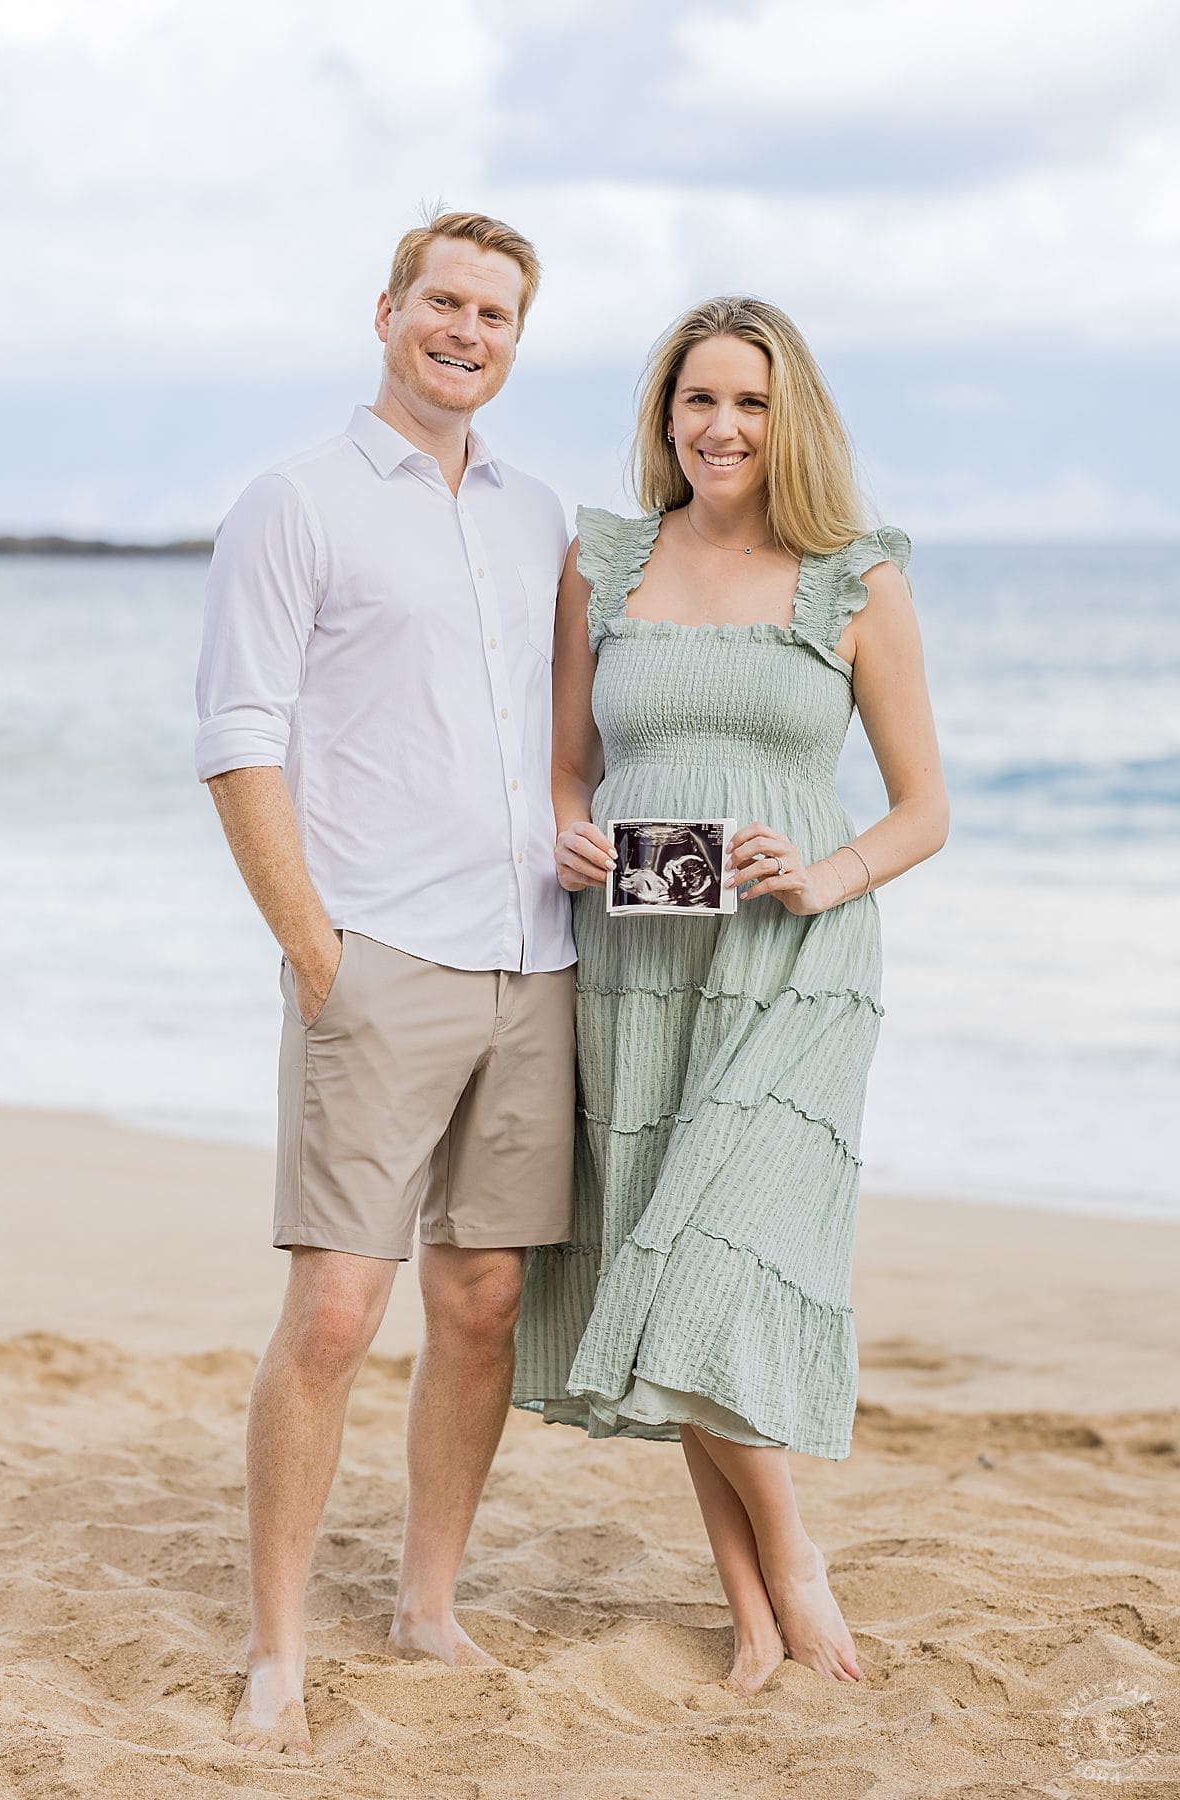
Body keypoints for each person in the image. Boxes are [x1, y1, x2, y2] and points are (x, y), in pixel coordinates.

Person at [513, 296, 948, 1693]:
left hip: (793, 964)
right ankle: (751, 1613)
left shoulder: (853, 578)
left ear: (789, 417)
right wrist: (568, 829)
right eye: (698, 400)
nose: (722, 427)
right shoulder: (609, 564)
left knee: (712, 1245)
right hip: (639, 959)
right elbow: (567, 765)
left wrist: (823, 877)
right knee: (660, 1248)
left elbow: (924, 808)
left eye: (750, 403)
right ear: (665, 417)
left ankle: (796, 1567)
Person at [194, 210, 576, 1760]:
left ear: (513, 338)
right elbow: (239, 735)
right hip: (378, 959)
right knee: (341, 1311)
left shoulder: (545, 516)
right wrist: (314, 953)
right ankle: (276, 1648)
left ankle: (426, 1604)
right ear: (388, 312)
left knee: (481, 1305)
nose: (466, 329)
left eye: (495, 311)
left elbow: (558, 736)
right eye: (444, 300)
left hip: (537, 959)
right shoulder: (293, 502)